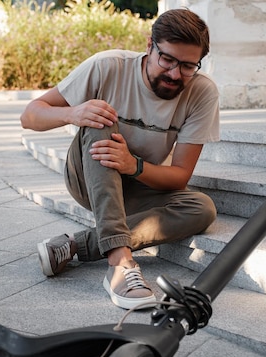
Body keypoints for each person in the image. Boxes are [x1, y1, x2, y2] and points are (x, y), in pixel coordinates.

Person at [20, 8, 220, 310]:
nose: (175, 74)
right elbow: (30, 115)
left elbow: (179, 175)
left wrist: (133, 165)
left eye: (188, 66)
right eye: (167, 59)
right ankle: (120, 263)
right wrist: (73, 112)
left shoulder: (202, 92)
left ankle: (75, 245)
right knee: (100, 115)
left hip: (139, 184)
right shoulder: (108, 66)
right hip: (89, 176)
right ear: (149, 46)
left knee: (201, 208)